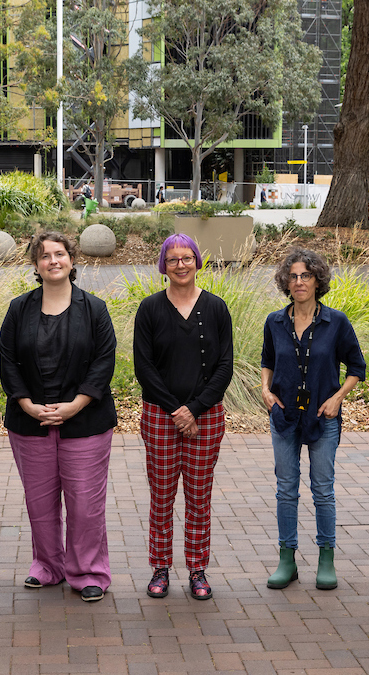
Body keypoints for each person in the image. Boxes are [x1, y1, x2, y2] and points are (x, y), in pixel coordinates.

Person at [0, 232, 118, 602]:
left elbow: (104, 361)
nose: (53, 260)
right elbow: (8, 359)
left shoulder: (94, 308)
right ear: (35, 265)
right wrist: (26, 404)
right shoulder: (19, 309)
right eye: (45, 255)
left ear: (71, 260)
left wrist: (76, 404)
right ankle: (48, 567)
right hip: (30, 422)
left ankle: (87, 571)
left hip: (85, 422)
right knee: (40, 503)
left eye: (60, 254)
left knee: (85, 504)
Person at [134, 234, 234, 600]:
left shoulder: (216, 308)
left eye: (187, 257)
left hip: (205, 417)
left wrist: (194, 408)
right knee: (161, 496)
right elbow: (144, 367)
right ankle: (160, 566)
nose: (180, 265)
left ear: (197, 261)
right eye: (172, 259)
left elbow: (225, 366)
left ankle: (197, 569)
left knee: (198, 496)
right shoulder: (150, 309)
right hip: (160, 416)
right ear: (164, 265)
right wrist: (177, 411)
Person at [261, 248, 366, 591]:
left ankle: (326, 558)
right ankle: (287, 559)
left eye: (306, 275)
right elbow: (267, 360)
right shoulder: (275, 322)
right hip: (285, 416)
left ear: (318, 280)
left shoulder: (336, 322)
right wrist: (265, 391)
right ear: (285, 282)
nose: (299, 281)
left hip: (323, 416)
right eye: (293, 276)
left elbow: (356, 367)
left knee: (323, 489)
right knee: (286, 489)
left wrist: (338, 398)